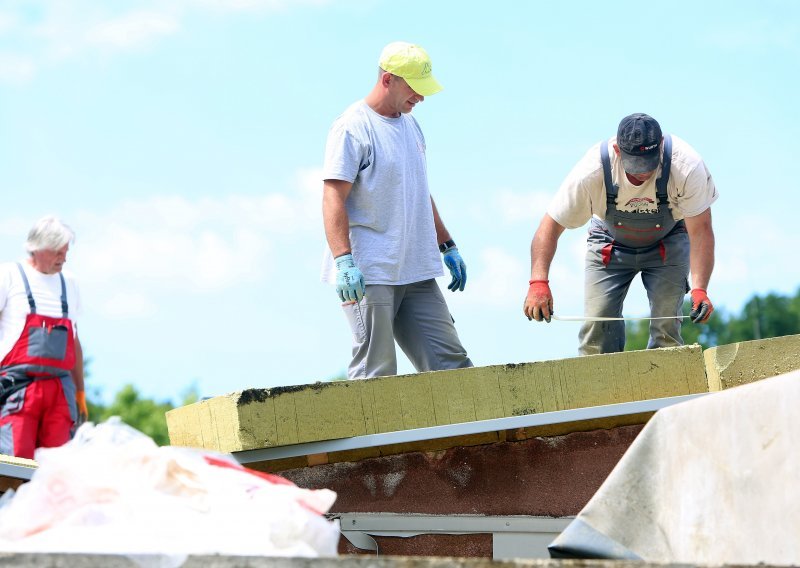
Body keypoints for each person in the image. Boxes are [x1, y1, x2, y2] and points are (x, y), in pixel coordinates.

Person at [321, 41, 472, 379]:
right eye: (415, 89)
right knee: (377, 372)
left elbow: (418, 191)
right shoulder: (352, 127)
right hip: (370, 271)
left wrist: (447, 245)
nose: (421, 97)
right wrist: (343, 260)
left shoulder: (410, 125)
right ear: (388, 79)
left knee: (454, 367)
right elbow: (333, 196)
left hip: (415, 268)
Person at [523, 113, 718, 354]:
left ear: (660, 148)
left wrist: (700, 289)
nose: (643, 174)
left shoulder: (686, 166)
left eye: (649, 164)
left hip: (667, 243)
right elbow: (549, 227)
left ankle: (664, 386)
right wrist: (538, 282)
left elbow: (700, 231)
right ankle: (599, 388)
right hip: (609, 245)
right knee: (598, 326)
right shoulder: (591, 170)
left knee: (667, 328)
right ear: (617, 150)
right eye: (635, 166)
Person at [0, 216, 87, 459]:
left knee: (56, 468)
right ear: (37, 247)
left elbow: (74, 340)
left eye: (66, 251)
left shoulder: (69, 283)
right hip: (17, 389)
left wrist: (80, 391)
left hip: (60, 390)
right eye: (58, 251)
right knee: (14, 464)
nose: (64, 258)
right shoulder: (9, 275)